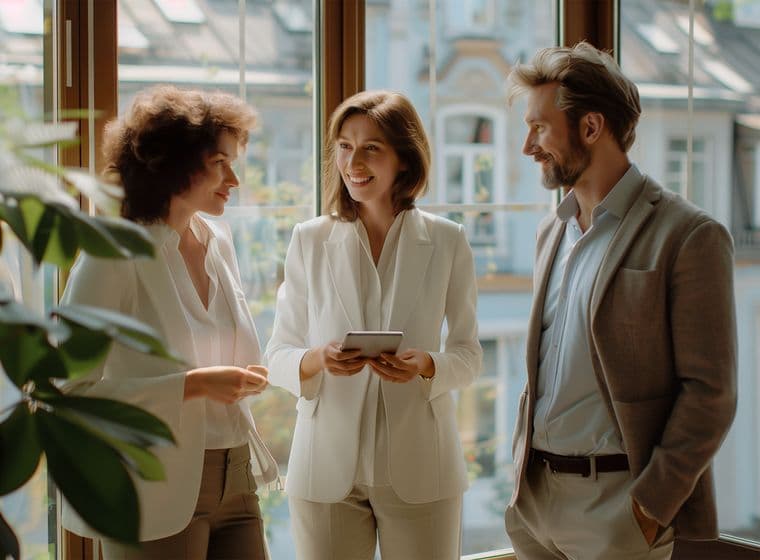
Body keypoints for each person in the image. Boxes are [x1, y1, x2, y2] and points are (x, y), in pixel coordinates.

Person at [504, 42, 737, 559]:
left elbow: (710, 393)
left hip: (618, 509)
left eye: (539, 127)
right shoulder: (552, 231)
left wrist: (651, 504)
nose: (527, 146)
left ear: (591, 127)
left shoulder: (689, 235)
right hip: (535, 503)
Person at [61, 85, 278, 560]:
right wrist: (191, 385)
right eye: (221, 163)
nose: (235, 180)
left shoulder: (217, 240)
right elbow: (66, 391)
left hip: (236, 475)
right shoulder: (112, 253)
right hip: (149, 486)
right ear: (174, 165)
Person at [265, 90, 483, 560]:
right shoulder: (310, 239)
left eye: (371, 147)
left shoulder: (448, 241)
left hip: (424, 468)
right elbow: (276, 354)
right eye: (344, 145)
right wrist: (314, 359)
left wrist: (427, 365)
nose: (353, 161)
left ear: (404, 159)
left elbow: (469, 355)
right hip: (324, 469)